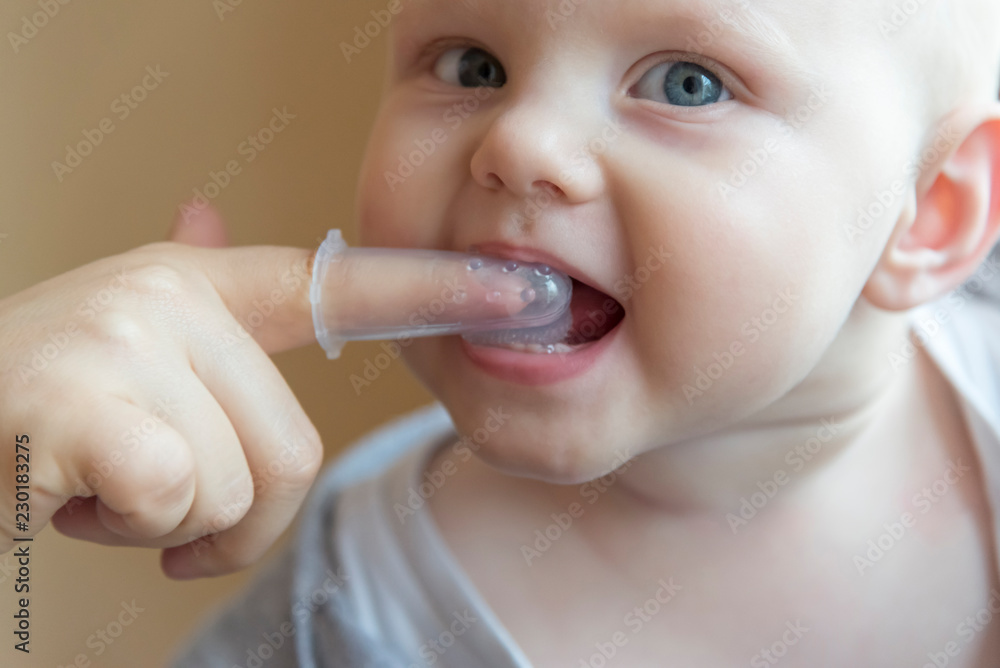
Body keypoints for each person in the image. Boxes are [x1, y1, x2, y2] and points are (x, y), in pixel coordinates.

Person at [5, 0, 1000, 665]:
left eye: (686, 83)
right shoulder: (352, 615)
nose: (518, 141)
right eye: (471, 63)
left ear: (932, 211)